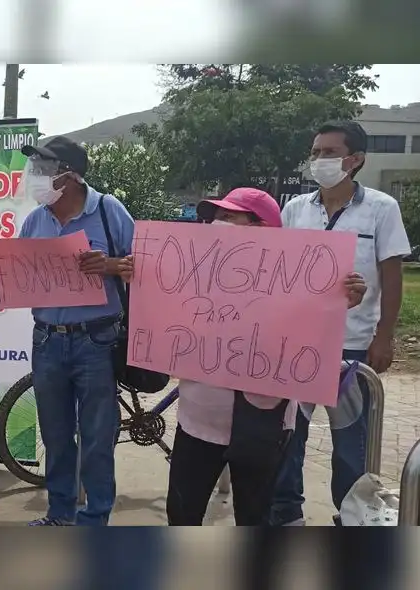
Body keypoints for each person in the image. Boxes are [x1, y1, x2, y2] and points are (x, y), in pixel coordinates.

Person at [118, 188, 366, 525]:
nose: (216, 224)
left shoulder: (295, 280)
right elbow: (161, 317)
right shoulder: (197, 273)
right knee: (182, 512)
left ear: (262, 229)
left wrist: (340, 298)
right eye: (215, 217)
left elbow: (314, 331)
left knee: (253, 515)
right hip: (198, 421)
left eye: (229, 217)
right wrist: (143, 277)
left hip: (265, 424)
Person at [0, 136, 134, 526]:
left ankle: (94, 519)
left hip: (97, 339)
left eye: (44, 169)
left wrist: (110, 266)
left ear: (71, 176)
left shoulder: (109, 211)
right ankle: (60, 515)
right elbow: (22, 271)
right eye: (35, 169)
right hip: (47, 339)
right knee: (56, 435)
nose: (35, 177)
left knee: (97, 439)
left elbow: (145, 264)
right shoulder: (36, 220)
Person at [270, 120, 412, 526]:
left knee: (352, 442)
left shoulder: (381, 208)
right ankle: (285, 512)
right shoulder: (296, 209)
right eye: (315, 152)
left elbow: (391, 276)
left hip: (351, 350)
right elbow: (278, 271)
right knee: (287, 436)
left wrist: (384, 337)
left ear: (355, 159)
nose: (318, 160)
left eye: (328, 153)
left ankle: (351, 517)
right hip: (297, 347)